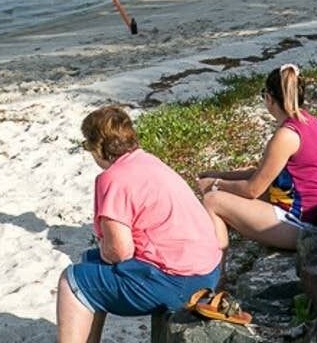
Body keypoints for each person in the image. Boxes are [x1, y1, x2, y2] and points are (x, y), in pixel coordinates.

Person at [56, 106, 222, 343]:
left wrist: (106, 247)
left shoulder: (113, 178)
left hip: (177, 282)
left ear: (98, 147)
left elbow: (119, 252)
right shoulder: (148, 161)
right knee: (90, 262)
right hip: (207, 273)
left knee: (72, 280)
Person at [197, 64, 317, 250]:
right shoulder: (313, 123)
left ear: (269, 99)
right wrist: (221, 175)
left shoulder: (286, 136)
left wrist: (216, 184)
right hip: (315, 212)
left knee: (213, 200)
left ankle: (217, 267)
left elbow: (252, 190)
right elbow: (264, 174)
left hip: (302, 224)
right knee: (243, 181)